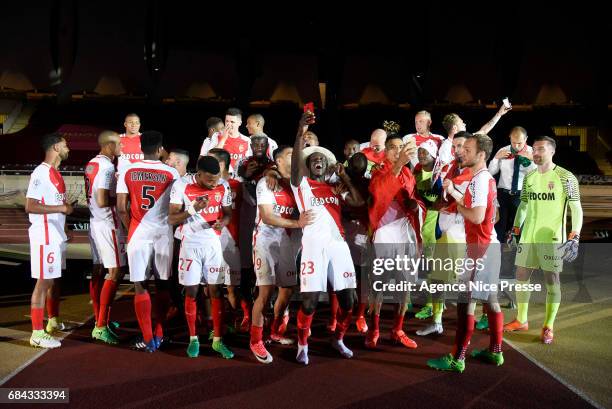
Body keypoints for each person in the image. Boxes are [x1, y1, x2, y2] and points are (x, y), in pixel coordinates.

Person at [291, 111, 365, 365]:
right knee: (310, 303)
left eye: (322, 159)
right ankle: (302, 345)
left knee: (349, 301)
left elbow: (358, 202)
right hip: (313, 247)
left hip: (338, 246)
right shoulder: (301, 185)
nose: (318, 161)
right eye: (313, 159)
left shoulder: (335, 187)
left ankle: (339, 339)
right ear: (308, 166)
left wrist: (343, 176)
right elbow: (294, 162)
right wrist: (301, 130)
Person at [427, 133, 504, 373]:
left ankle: (457, 358)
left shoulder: (479, 180)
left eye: (468, 149)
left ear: (481, 154)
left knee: (465, 304)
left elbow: (476, 215)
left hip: (478, 250)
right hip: (490, 245)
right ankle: (495, 351)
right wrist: (455, 193)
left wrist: (457, 206)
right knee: (491, 300)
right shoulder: (484, 178)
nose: (462, 152)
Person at [504, 136, 583, 345]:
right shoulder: (529, 177)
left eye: (541, 150)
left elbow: (576, 207)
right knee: (521, 275)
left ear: (552, 152)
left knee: (552, 280)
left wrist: (575, 235)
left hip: (552, 237)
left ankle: (548, 326)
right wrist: (515, 228)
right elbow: (523, 206)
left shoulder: (566, 177)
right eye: (535, 150)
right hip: (529, 234)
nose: (536, 153)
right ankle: (521, 319)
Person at [249, 145, 314, 363]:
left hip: (287, 241)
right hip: (265, 240)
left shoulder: (297, 183)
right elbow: (267, 216)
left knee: (287, 290)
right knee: (265, 293)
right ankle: (255, 340)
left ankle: (275, 331)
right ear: (277, 160)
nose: (295, 157)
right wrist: (297, 222)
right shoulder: (266, 183)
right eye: (289, 154)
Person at [116, 131, 179, 352]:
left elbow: (121, 207)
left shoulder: (127, 169)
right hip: (163, 232)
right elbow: (176, 207)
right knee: (162, 283)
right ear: (161, 149)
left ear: (141, 148)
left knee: (140, 285)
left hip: (138, 233)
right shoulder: (172, 173)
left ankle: (147, 338)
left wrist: (130, 227)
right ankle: (160, 334)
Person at [168, 156, 235, 359]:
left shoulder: (223, 186)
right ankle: (193, 338)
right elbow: (171, 218)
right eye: (209, 180)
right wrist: (192, 210)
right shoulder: (181, 185)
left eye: (216, 179)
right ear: (198, 173)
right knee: (192, 291)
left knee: (216, 291)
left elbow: (228, 213)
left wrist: (222, 223)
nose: (213, 183)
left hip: (213, 244)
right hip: (190, 244)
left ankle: (217, 341)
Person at [366, 134, 422, 349]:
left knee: (405, 284)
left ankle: (397, 329)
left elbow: (412, 200)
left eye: (401, 148)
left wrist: (414, 205)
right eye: (392, 148)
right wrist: (398, 164)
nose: (397, 151)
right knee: (379, 283)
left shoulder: (409, 173)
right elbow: (379, 195)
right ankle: (375, 329)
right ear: (385, 151)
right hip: (384, 232)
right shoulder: (378, 171)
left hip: (404, 232)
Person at [25, 133, 73, 349]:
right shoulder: (41, 173)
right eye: (65, 145)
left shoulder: (56, 173)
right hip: (44, 235)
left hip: (55, 235)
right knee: (43, 282)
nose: (68, 148)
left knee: (52, 280)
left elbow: (57, 205)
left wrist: (64, 226)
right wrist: (61, 208)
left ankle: (51, 321)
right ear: (56, 146)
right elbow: (31, 206)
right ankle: (36, 333)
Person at [84, 131, 126, 344]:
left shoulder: (91, 163)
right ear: (109, 145)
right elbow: (102, 199)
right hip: (108, 223)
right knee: (115, 272)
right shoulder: (108, 167)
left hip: (95, 222)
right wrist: (121, 201)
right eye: (119, 144)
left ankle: (100, 319)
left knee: (99, 269)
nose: (122, 148)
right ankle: (101, 325)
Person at [208, 148, 249, 331]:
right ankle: (215, 324)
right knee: (210, 286)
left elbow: (254, 206)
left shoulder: (238, 185)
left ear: (222, 164)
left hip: (231, 243)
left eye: (211, 161)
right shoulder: (205, 183)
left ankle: (232, 321)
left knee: (232, 288)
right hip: (208, 241)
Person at [488, 126, 536, 240]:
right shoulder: (503, 151)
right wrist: (495, 158)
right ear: (510, 138)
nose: (516, 146)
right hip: (502, 194)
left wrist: (532, 161)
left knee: (519, 225)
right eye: (513, 142)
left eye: (520, 143)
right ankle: (497, 252)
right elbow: (490, 172)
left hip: (521, 195)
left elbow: (537, 175)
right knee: (499, 224)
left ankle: (518, 252)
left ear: (526, 139)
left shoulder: (532, 153)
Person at [199, 108, 252, 173]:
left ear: (240, 123)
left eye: (232, 122)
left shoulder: (246, 140)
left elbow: (248, 162)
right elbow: (210, 157)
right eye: (227, 121)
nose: (229, 124)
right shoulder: (217, 135)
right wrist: (223, 139)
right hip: (220, 178)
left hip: (238, 178)